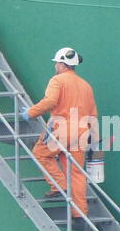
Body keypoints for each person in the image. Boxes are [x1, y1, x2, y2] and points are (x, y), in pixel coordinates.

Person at [21, 47, 97, 221]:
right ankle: (79, 212)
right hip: (82, 131)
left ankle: (59, 186)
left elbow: (50, 101)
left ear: (63, 64)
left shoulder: (57, 80)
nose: (55, 65)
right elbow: (93, 114)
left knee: (41, 154)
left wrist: (31, 112)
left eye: (56, 62)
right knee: (76, 172)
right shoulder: (86, 86)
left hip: (61, 129)